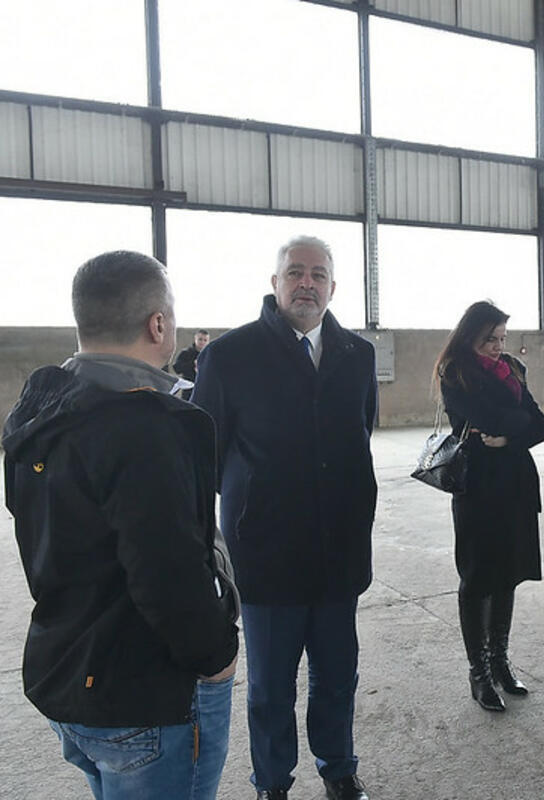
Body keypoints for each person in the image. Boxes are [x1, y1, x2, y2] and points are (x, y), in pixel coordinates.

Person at [3, 251, 240, 800]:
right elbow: (168, 572)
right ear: (158, 324)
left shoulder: (40, 410)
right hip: (143, 696)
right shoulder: (144, 428)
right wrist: (217, 658)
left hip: (67, 674)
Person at [192, 236, 377, 800]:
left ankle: (338, 768)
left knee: (337, 675)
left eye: (318, 275)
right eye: (295, 272)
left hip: (340, 547)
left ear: (333, 288)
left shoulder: (357, 355)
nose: (306, 284)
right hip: (266, 552)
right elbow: (205, 457)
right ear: (275, 283)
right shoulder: (229, 356)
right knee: (271, 686)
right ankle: (272, 782)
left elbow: (361, 432)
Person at [435, 301, 544, 713]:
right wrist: (513, 425)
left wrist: (506, 438)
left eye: (502, 338)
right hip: (478, 488)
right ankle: (479, 671)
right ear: (470, 337)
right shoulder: (455, 373)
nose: (499, 347)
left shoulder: (512, 370)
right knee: (477, 577)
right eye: (490, 340)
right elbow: (489, 416)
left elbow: (541, 426)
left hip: (516, 487)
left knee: (508, 575)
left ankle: (500, 660)